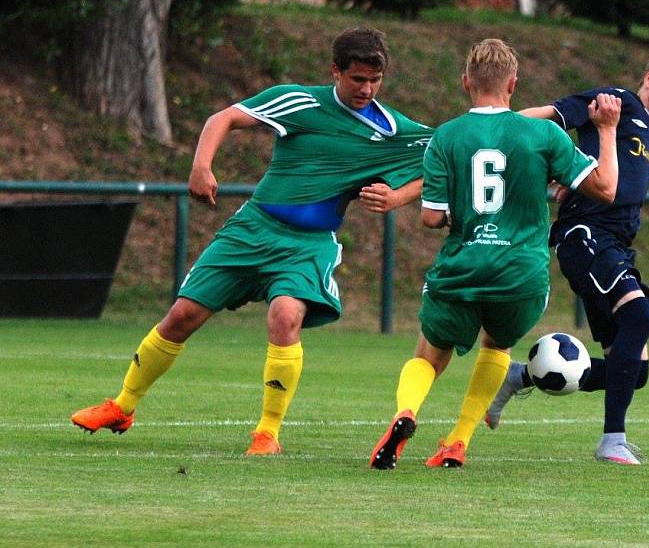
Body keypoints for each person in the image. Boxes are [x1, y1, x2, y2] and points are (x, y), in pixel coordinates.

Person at [71, 27, 433, 455]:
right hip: (252, 229)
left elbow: (447, 156)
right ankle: (122, 405)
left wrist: (398, 197)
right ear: (335, 71)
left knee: (284, 316)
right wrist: (201, 167)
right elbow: (222, 118)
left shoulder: (391, 128)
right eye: (357, 79)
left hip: (308, 244)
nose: (366, 89)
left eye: (375, 80)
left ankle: (267, 434)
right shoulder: (299, 101)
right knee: (182, 315)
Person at [369, 38, 621, 470]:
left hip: (463, 266)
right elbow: (606, 188)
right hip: (520, 272)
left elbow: (431, 219)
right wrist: (608, 129)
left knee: (430, 353)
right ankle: (457, 442)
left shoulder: (446, 136)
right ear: (513, 84)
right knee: (497, 346)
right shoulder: (544, 133)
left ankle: (406, 413)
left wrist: (464, 214)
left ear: (466, 82)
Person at [486, 49, 649, 466]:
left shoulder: (648, 132)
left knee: (635, 372)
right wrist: (492, 125)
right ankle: (612, 441)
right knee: (638, 317)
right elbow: (552, 114)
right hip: (587, 235)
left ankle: (519, 375)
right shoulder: (616, 102)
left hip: (614, 247)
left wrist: (577, 172)